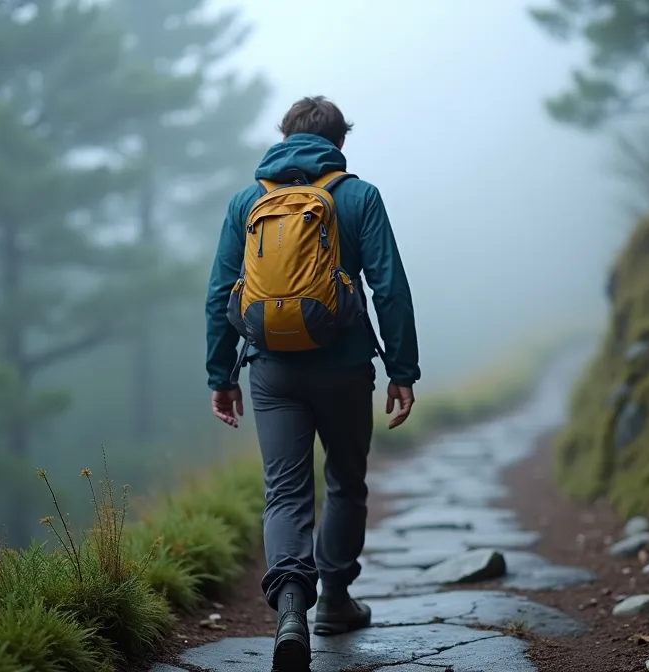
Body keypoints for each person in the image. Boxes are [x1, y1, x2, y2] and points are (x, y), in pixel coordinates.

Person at [204, 96, 421, 670]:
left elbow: (220, 293)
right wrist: (403, 370)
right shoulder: (358, 196)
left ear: (283, 136)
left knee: (285, 489)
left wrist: (220, 375)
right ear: (339, 143)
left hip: (272, 371)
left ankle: (292, 609)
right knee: (346, 482)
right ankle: (336, 601)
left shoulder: (248, 201)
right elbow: (389, 288)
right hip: (346, 366)